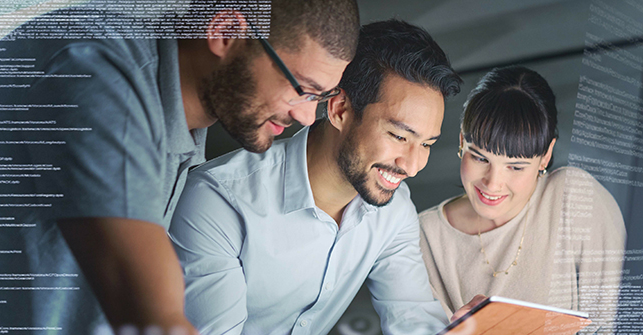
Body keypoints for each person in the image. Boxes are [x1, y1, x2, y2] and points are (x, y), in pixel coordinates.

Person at [0, 0, 358, 333]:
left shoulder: (183, 117)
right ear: (226, 33)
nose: (308, 116)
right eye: (302, 89)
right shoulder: (98, 71)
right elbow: (152, 315)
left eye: (322, 97)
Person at [169, 20, 468, 335]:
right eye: (398, 136)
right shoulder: (218, 201)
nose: (411, 165)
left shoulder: (394, 212)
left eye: (426, 144)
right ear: (339, 109)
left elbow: (414, 321)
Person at [418, 66, 627, 330]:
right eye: (480, 158)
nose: (493, 183)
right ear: (461, 142)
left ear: (546, 156)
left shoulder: (574, 200)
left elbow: (614, 322)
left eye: (515, 167)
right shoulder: (423, 237)